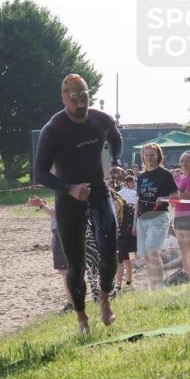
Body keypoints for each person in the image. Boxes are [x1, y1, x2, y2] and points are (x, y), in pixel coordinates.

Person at [33, 74, 122, 332]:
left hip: (97, 189)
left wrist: (115, 163)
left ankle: (105, 298)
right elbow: (40, 173)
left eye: (84, 98)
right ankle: (82, 317)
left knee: (109, 246)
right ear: (64, 98)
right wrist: (70, 188)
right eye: (74, 99)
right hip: (68, 195)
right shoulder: (54, 129)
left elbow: (115, 138)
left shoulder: (100, 119)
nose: (80, 104)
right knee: (76, 263)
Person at [136, 142, 179, 288]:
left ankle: (159, 284)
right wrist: (135, 222)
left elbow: (176, 195)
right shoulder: (141, 176)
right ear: (143, 157)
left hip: (159, 216)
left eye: (152, 155)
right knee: (146, 255)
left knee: (152, 250)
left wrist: (165, 198)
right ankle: (153, 284)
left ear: (158, 156)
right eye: (146, 155)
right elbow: (138, 200)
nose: (149, 158)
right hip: (142, 218)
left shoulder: (165, 174)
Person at [29, 196, 73, 312]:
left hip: (60, 234)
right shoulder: (69, 194)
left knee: (65, 272)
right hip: (62, 233)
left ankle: (71, 303)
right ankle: (72, 301)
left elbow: (54, 212)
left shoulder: (65, 195)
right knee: (66, 272)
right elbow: (55, 211)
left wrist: (41, 205)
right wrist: (43, 204)